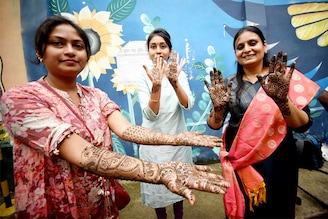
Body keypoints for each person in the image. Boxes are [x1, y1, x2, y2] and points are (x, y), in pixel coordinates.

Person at [0, 16, 231, 219]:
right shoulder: (20, 100)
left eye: (78, 45)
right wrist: (160, 171)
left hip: (101, 204)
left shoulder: (96, 96)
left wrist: (178, 139)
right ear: (40, 52)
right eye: (58, 43)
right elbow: (82, 152)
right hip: (57, 208)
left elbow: (127, 130)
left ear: (86, 55)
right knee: (159, 196)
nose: (70, 50)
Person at [204, 26, 319, 218]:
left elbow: (303, 123)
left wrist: (283, 101)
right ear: (236, 54)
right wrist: (217, 108)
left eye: (252, 43)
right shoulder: (230, 84)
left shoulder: (283, 77)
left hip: (278, 158)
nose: (246, 49)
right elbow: (215, 124)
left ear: (264, 46)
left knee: (278, 207)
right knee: (246, 208)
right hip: (241, 159)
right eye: (240, 47)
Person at [136, 28, 193, 219]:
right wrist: (157, 87)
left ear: (169, 50)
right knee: (157, 186)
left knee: (178, 185)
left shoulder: (179, 74)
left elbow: (187, 105)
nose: (158, 50)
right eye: (153, 47)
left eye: (163, 46)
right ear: (148, 51)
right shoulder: (143, 76)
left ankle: (179, 216)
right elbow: (150, 116)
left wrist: (174, 82)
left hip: (177, 142)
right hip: (153, 145)